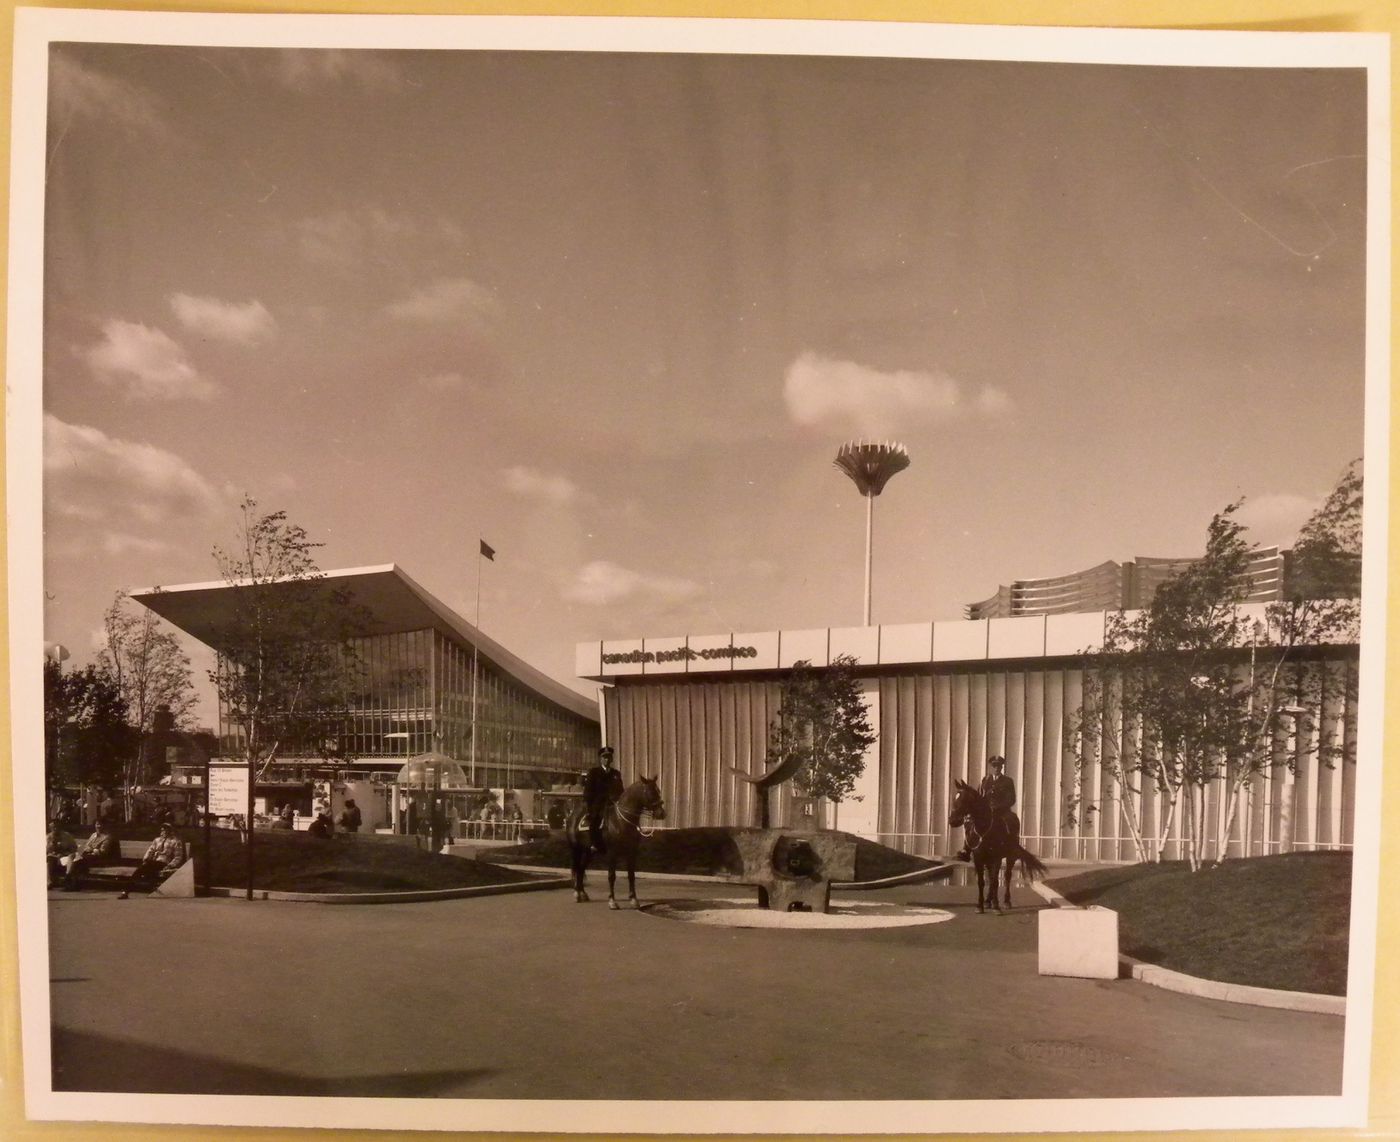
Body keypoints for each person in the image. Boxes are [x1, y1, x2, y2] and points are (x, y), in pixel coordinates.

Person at [956, 755, 1017, 862]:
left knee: (1011, 821)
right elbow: (980, 796)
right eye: (994, 765)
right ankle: (966, 849)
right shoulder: (985, 780)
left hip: (1001, 811)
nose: (996, 768)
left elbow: (1011, 799)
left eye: (999, 766)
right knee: (971, 822)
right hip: (987, 811)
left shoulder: (1008, 781)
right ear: (991, 767)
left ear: (1002, 767)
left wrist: (998, 807)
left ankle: (1012, 848)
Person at [582, 746, 624, 853]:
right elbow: (588, 790)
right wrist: (588, 805)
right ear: (600, 759)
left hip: (613, 804)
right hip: (598, 805)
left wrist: (618, 799)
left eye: (609, 757)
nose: (607, 759)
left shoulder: (616, 774)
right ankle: (594, 843)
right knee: (595, 821)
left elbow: (621, 790)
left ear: (612, 759)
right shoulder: (593, 772)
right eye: (604, 757)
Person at [64, 820, 120, 889]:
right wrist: (90, 848)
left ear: (105, 826)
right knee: (71, 856)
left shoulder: (107, 837)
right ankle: (68, 877)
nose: (98, 826)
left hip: (101, 858)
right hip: (90, 855)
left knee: (78, 862)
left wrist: (92, 849)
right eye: (97, 824)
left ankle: (72, 883)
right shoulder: (94, 835)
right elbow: (87, 845)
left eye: (100, 825)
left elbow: (103, 852)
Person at [46, 820, 77, 888]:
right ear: (50, 828)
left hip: (64, 855)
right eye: (53, 827)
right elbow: (46, 850)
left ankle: (67, 876)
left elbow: (74, 847)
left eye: (57, 827)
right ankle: (49, 882)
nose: (55, 829)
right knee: (49, 859)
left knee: (71, 856)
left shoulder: (67, 836)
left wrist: (64, 851)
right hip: (53, 856)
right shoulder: (48, 837)